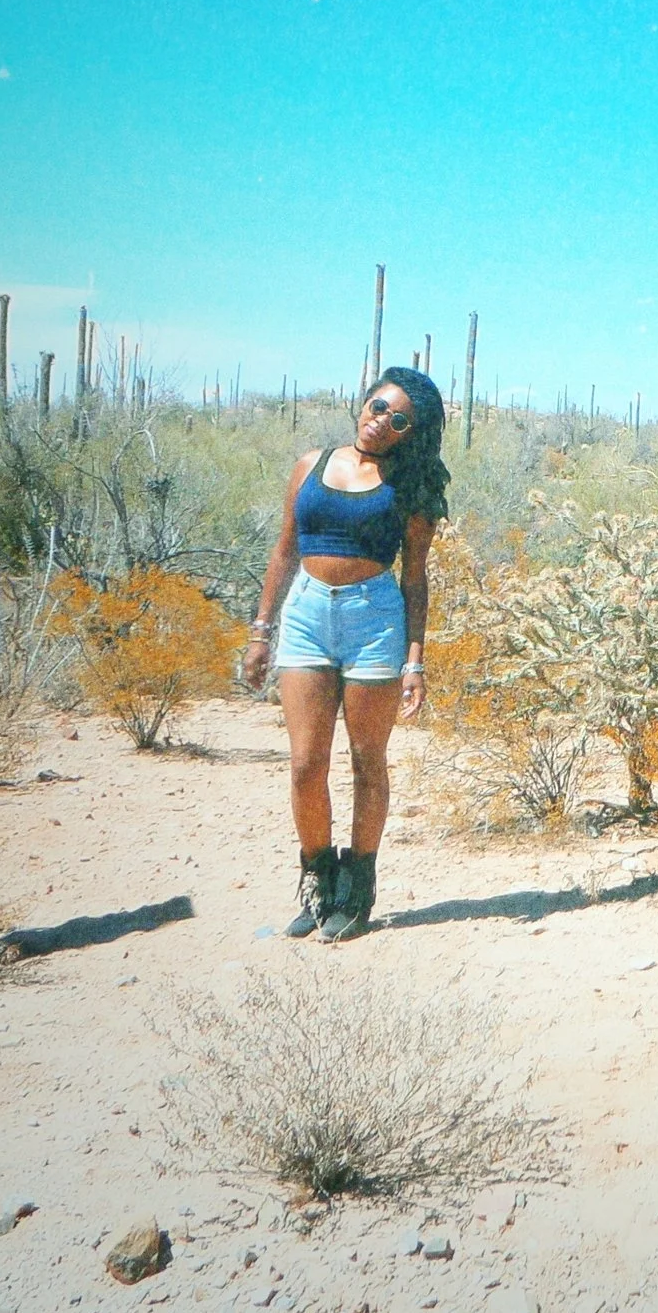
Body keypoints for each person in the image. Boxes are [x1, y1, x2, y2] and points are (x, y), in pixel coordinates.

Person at [240, 368, 448, 942]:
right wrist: (262, 630)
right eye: (378, 405)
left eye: (398, 419)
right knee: (307, 763)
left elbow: (416, 578)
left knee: (366, 761)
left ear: (412, 433)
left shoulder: (410, 488)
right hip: (306, 616)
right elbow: (284, 551)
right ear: (363, 400)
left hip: (374, 619)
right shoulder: (311, 464)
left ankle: (357, 887)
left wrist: (415, 659)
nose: (380, 421)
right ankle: (317, 879)